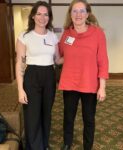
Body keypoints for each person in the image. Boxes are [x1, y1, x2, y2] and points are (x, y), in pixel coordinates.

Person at [58, 0, 109, 150]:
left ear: (87, 14)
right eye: (75, 11)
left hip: (89, 83)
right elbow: (60, 56)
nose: (78, 14)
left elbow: (103, 61)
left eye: (82, 11)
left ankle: (88, 146)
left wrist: (102, 87)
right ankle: (67, 143)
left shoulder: (98, 33)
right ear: (70, 14)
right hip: (69, 82)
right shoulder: (67, 34)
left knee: (88, 118)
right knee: (68, 117)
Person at [15, 1, 62, 150]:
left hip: (49, 75)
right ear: (33, 16)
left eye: (46, 14)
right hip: (32, 76)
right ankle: (34, 147)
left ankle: (44, 144)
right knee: (32, 115)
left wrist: (76, 52)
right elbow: (20, 63)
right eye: (39, 14)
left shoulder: (53, 36)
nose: (43, 17)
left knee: (46, 113)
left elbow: (58, 60)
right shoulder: (25, 36)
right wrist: (20, 89)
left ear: (49, 17)